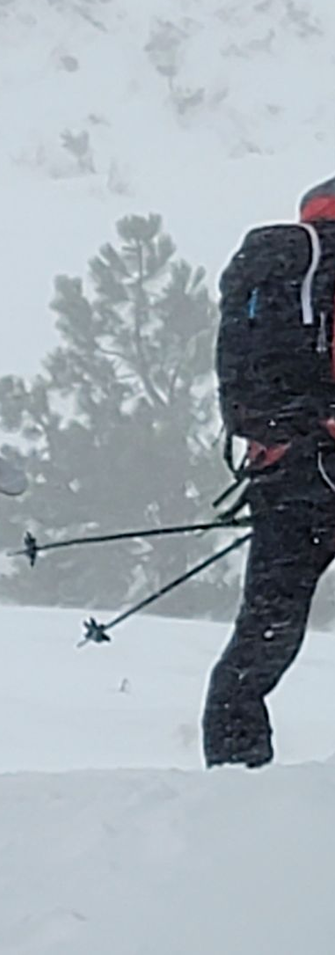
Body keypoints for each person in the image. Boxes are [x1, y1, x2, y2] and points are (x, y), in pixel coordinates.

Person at [204, 176, 335, 768]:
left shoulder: (278, 266)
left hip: (284, 472)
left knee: (262, 635)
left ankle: (234, 775)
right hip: (323, 456)